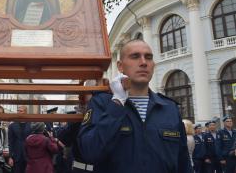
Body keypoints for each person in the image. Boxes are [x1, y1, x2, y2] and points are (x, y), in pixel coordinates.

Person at [78, 39, 192, 173]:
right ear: (120, 66)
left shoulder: (169, 108)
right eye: (135, 56)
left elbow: (183, 163)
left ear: (153, 65)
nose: (143, 62)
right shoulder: (102, 103)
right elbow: (90, 152)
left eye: (148, 57)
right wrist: (117, 103)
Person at [8, 106, 32, 173]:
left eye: (20, 111)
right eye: (17, 110)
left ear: (25, 112)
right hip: (16, 156)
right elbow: (11, 142)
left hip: (28, 155)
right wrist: (10, 157)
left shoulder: (31, 125)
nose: (18, 112)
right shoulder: (12, 126)